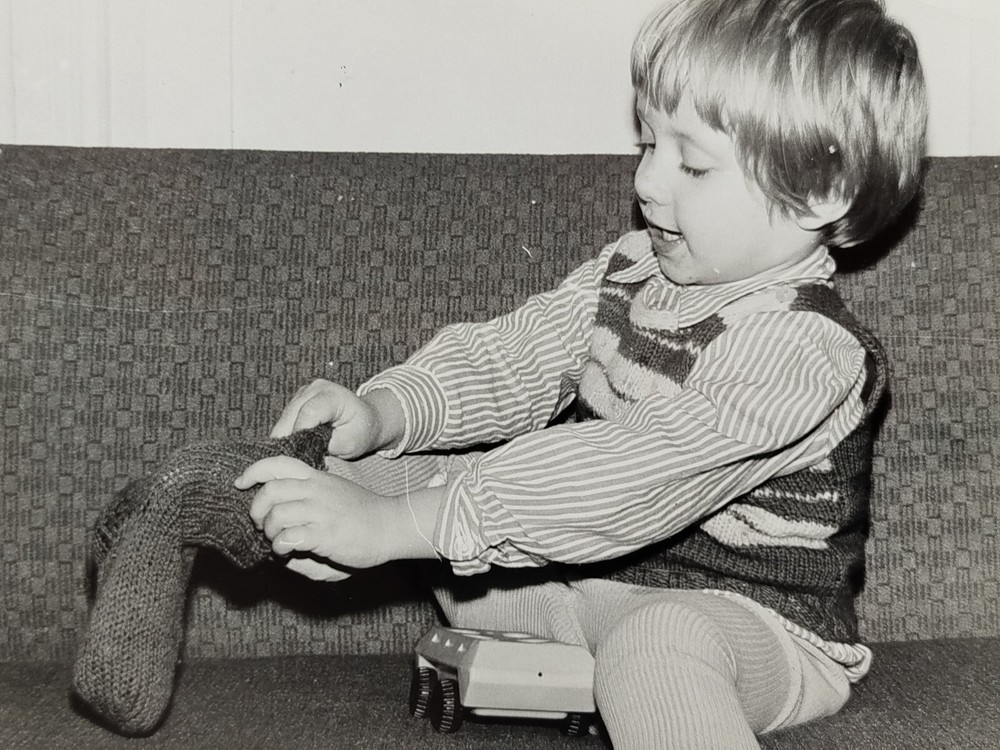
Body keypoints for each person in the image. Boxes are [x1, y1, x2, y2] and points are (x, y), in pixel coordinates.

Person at [233, 1, 927, 747]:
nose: (649, 182)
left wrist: (396, 527)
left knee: (656, 640)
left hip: (752, 627)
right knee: (364, 467)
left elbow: (631, 474)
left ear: (819, 193)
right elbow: (513, 357)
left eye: (691, 162)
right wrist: (388, 413)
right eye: (648, 140)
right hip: (587, 593)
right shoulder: (628, 272)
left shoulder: (805, 350)